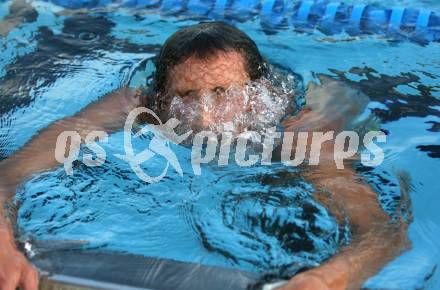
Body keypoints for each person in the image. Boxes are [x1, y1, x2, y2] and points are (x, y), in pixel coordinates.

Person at [0, 21, 410, 290]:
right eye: (187, 97)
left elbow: (382, 232)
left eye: (223, 94)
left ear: (257, 96)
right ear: (160, 98)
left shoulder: (300, 132)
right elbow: (10, 174)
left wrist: (325, 280)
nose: (208, 118)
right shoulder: (136, 107)